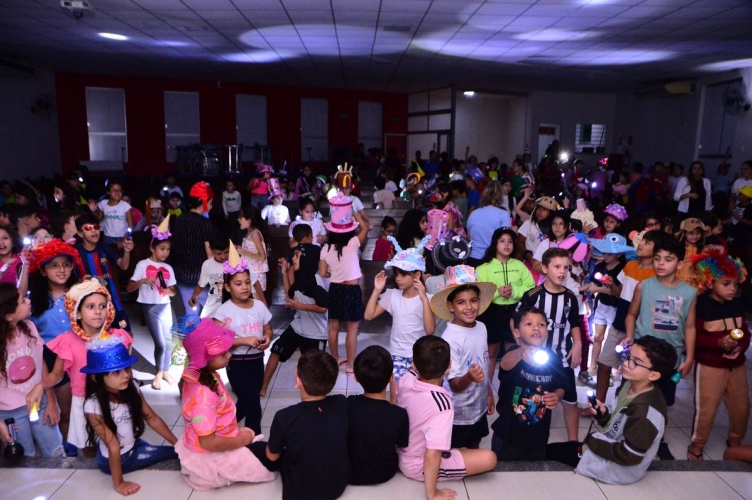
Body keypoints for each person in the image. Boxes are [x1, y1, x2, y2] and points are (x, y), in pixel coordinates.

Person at [547, 336, 677, 484]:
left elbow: (629, 456)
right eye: (628, 356)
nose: (626, 363)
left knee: (551, 452)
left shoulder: (646, 412)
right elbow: (619, 425)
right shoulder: (628, 385)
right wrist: (603, 415)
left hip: (618, 469)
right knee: (560, 449)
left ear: (653, 375)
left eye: (635, 362)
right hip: (610, 447)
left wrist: (592, 441)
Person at [173, 315, 276, 490]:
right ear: (204, 359)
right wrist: (241, 440)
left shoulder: (204, 374)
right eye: (222, 353)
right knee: (271, 459)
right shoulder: (202, 397)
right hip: (210, 454)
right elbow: (209, 443)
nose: (229, 354)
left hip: (217, 439)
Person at [396, 335, 496, 499]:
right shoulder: (442, 405)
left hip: (402, 450)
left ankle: (456, 453)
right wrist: (432, 493)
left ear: (414, 365)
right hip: (417, 464)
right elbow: (433, 454)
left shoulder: (407, 379)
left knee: (465, 451)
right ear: (449, 365)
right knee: (489, 458)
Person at [42, 279, 133, 454]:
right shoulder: (67, 341)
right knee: (89, 446)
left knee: (119, 442)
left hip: (113, 398)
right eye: (90, 307)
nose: (98, 312)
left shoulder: (118, 337)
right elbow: (56, 374)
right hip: (83, 400)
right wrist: (39, 387)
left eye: (103, 306)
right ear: (77, 313)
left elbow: (126, 369)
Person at [625, 236, 697, 458]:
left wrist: (689, 357)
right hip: (642, 357)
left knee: (663, 400)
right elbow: (631, 314)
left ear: (680, 264)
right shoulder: (643, 286)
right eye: (657, 258)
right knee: (635, 396)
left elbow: (690, 327)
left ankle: (659, 440)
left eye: (668, 259)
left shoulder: (689, 292)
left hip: (669, 358)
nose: (661, 263)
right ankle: (627, 435)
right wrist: (629, 336)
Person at [82, 339, 178, 495]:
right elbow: (113, 445)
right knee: (173, 453)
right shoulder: (92, 406)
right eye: (116, 372)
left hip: (132, 444)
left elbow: (151, 417)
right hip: (119, 458)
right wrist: (119, 483)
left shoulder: (132, 387)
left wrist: (178, 444)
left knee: (178, 449)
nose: (126, 375)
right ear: (95, 377)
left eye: (127, 368)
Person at [252, 350, 350, 500]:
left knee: (259, 447)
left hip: (299, 493)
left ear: (298, 382)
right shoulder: (341, 402)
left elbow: (272, 457)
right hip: (338, 486)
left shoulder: (284, 417)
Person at [687, 249, 749, 460]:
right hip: (710, 366)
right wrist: (718, 343)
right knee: (706, 409)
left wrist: (741, 347)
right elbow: (693, 338)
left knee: (741, 407)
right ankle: (696, 446)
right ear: (710, 282)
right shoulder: (700, 305)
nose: (732, 289)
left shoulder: (737, 304)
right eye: (726, 284)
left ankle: (735, 442)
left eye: (735, 284)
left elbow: (745, 333)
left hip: (737, 365)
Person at [516, 248, 581, 442]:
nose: (562, 271)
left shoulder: (570, 297)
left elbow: (574, 323)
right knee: (532, 398)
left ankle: (573, 444)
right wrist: (522, 346)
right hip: (536, 360)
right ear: (544, 268)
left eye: (566, 267)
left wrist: (578, 344)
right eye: (557, 266)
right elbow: (515, 320)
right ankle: (526, 439)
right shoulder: (533, 295)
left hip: (562, 358)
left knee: (570, 402)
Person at [429, 265, 496, 449]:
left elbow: (484, 364)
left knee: (476, 443)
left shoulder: (481, 327)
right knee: (457, 451)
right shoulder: (450, 339)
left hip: (478, 406)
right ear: (451, 306)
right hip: (458, 414)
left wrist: (489, 393)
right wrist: (470, 377)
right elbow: (454, 385)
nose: (469, 307)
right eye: (461, 302)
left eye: (473, 300)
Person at [28, 238, 83, 455]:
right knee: (66, 409)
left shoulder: (79, 293)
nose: (61, 270)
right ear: (42, 271)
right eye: (54, 265)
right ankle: (70, 450)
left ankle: (92, 445)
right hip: (52, 358)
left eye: (66, 264)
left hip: (81, 353)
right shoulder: (34, 301)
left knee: (87, 404)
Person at [491, 307, 570, 461]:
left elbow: (561, 385)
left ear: (547, 332)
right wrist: (522, 352)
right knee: (503, 470)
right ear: (516, 332)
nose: (536, 327)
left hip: (538, 436)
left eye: (541, 324)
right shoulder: (514, 353)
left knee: (534, 470)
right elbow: (505, 363)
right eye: (529, 324)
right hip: (507, 434)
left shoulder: (552, 358)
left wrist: (556, 396)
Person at [364, 236, 434, 402]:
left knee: (417, 398)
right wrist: (376, 290)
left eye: (403, 274)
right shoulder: (393, 295)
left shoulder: (427, 299)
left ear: (417, 274)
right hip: (397, 355)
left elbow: (430, 330)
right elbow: (368, 315)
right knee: (395, 399)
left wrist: (424, 300)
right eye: (396, 275)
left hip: (420, 356)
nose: (398, 279)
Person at [213, 245, 272, 435]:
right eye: (238, 284)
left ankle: (222, 429)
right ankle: (255, 440)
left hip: (257, 362)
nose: (245, 287)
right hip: (237, 364)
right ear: (228, 287)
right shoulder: (223, 312)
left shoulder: (259, 306)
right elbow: (216, 343)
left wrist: (267, 337)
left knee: (247, 402)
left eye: (247, 282)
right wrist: (243, 340)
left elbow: (268, 328)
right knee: (254, 405)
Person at [0, 284, 65, 457]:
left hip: (40, 403)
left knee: (56, 451)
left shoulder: (29, 327)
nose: (28, 301)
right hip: (10, 413)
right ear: (9, 315)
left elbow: (40, 363)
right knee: (23, 457)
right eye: (23, 301)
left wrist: (51, 400)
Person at [259, 252, 329, 397]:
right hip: (297, 326)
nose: (293, 259)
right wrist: (285, 274)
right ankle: (263, 387)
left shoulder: (315, 280)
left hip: (314, 333)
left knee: (312, 366)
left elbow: (323, 308)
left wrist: (300, 306)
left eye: (297, 256)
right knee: (276, 350)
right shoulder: (301, 277)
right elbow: (290, 295)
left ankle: (314, 396)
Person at [476, 227, 535, 381]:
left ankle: (510, 386)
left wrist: (514, 291)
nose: (507, 244)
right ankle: (487, 389)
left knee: (513, 350)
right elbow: (478, 293)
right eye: (502, 241)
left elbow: (531, 288)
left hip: (514, 312)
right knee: (491, 352)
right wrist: (497, 292)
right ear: (495, 244)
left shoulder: (519, 266)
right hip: (491, 313)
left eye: (510, 241)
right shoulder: (483, 268)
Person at [319, 193, 368, 374]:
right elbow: (365, 227)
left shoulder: (325, 249)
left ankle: (334, 358)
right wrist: (352, 212)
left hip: (335, 289)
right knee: (352, 329)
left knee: (333, 326)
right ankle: (350, 365)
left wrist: (334, 272)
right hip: (352, 289)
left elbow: (323, 273)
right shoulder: (354, 243)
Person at [126, 217, 177, 390]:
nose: (165, 252)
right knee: (160, 343)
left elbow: (173, 291)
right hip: (150, 308)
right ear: (152, 248)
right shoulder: (142, 265)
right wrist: (143, 281)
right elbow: (130, 287)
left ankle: (165, 370)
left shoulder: (168, 268)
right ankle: (158, 372)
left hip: (165, 306)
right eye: (162, 248)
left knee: (168, 341)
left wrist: (168, 290)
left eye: (168, 249)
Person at [347, 345, 409, 485]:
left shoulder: (348, 404)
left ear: (356, 377)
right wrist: (393, 398)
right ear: (391, 377)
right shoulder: (399, 415)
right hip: (385, 472)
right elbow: (399, 444)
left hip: (352, 473)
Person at [74, 213, 133, 332]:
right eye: (88, 228)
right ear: (80, 233)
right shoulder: (75, 252)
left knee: (125, 333)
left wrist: (127, 251)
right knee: (96, 336)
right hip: (88, 303)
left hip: (112, 300)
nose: (94, 231)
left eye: (96, 227)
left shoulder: (105, 247)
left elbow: (124, 266)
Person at [586, 234, 631, 385]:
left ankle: (609, 370)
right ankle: (593, 366)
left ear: (619, 254)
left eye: (610, 253)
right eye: (604, 252)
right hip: (601, 305)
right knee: (597, 337)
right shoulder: (600, 266)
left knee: (612, 340)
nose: (605, 256)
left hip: (616, 308)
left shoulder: (624, 269)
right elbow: (593, 284)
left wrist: (600, 289)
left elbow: (621, 293)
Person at [170, 185, 214, 316]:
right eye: (210, 202)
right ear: (203, 201)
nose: (211, 207)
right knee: (209, 314)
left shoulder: (178, 221)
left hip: (181, 275)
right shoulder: (205, 223)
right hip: (200, 277)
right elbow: (209, 252)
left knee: (189, 313)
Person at [466, 180, 513, 267]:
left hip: (473, 259)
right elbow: (506, 240)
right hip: (493, 261)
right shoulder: (503, 214)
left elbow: (469, 238)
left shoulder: (473, 214)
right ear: (500, 196)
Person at [189, 233, 229, 319]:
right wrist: (194, 297)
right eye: (219, 253)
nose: (223, 256)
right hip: (213, 306)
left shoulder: (238, 264)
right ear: (210, 249)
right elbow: (201, 285)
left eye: (226, 252)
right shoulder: (207, 265)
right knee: (205, 324)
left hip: (232, 305)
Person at [237, 205, 270, 305]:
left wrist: (244, 252)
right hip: (251, 271)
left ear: (249, 220)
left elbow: (262, 256)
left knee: (259, 301)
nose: (238, 220)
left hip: (257, 273)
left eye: (241, 217)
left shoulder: (255, 233)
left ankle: (264, 316)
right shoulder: (249, 233)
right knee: (256, 301)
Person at [674, 217, 709, 289]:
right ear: (684, 233)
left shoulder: (704, 249)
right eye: (691, 233)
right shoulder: (676, 247)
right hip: (677, 282)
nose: (695, 236)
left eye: (698, 232)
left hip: (696, 285)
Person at [94, 181, 133, 246]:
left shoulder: (125, 206)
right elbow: (97, 220)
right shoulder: (103, 203)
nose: (117, 192)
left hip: (122, 237)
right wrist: (93, 210)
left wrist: (124, 240)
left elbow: (131, 225)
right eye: (114, 190)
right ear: (108, 192)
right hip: (107, 237)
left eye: (119, 190)